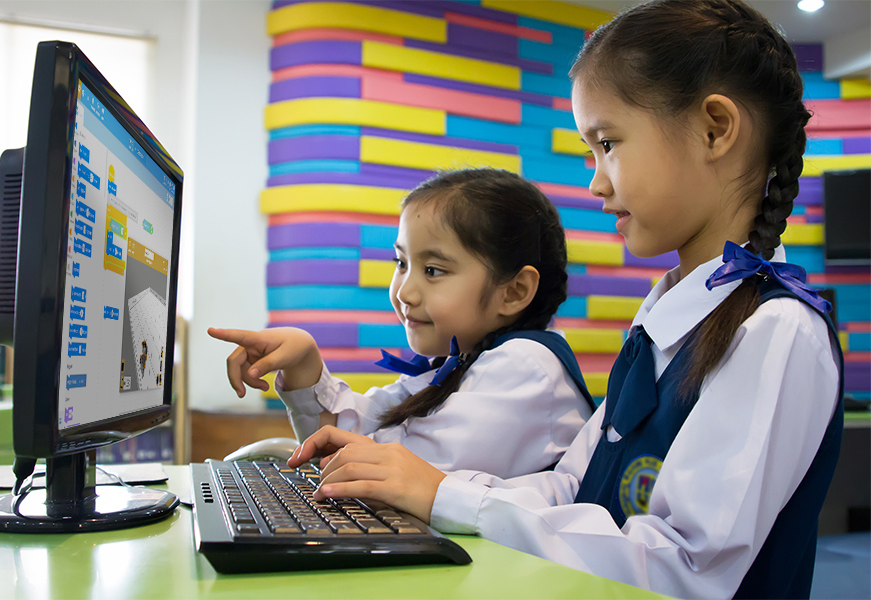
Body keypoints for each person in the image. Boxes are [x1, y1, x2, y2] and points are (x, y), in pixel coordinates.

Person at [286, 1, 845, 598]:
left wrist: (443, 494)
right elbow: (571, 488)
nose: (596, 181)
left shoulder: (777, 331)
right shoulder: (663, 319)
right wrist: (427, 487)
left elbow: (683, 569)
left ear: (714, 128)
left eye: (608, 143)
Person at [209, 168, 595, 479]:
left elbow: (388, 470)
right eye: (401, 263)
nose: (405, 291)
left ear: (513, 291)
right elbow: (353, 434)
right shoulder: (456, 366)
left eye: (433, 270)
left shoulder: (526, 370)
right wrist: (303, 362)